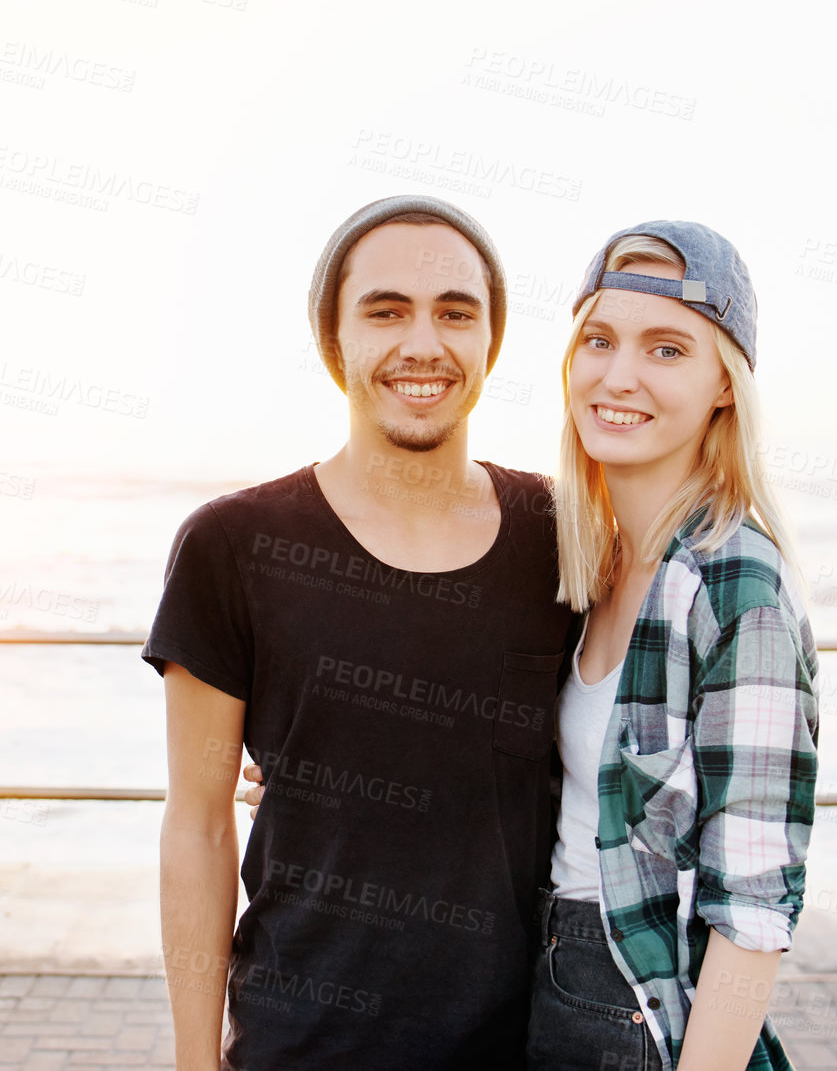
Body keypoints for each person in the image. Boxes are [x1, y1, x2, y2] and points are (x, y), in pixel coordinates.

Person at [147, 195, 578, 1070]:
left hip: (525, 1048)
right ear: (333, 338)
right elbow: (197, 824)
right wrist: (195, 1060)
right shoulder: (233, 545)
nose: (423, 343)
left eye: (455, 312)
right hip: (298, 1046)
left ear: (490, 341)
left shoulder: (564, 534)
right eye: (385, 310)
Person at [525, 221, 820, 1071]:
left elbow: (754, 906)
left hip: (638, 1013)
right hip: (544, 980)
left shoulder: (736, 587)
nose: (618, 375)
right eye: (600, 340)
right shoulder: (591, 559)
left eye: (665, 350)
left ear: (724, 385)